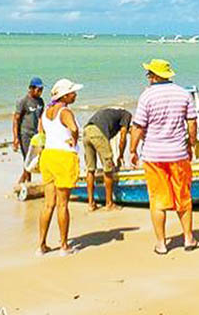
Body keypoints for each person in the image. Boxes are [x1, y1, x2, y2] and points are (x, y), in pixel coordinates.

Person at [129, 58, 199, 254]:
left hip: (153, 155)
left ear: (155, 76)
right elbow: (192, 123)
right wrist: (191, 144)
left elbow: (138, 125)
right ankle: (188, 238)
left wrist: (132, 150)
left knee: (158, 200)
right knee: (183, 197)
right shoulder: (183, 94)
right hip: (178, 153)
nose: (148, 77)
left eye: (149, 73)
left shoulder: (147, 96)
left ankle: (161, 243)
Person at [38, 78, 83, 255]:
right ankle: (64, 246)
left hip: (48, 156)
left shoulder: (46, 111)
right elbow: (73, 128)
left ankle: (41, 245)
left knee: (48, 204)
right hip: (63, 157)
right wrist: (74, 137)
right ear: (65, 95)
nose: (75, 95)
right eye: (73, 92)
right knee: (62, 205)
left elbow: (40, 131)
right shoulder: (65, 112)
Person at [83, 107, 132, 211]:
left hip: (86, 130)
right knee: (108, 168)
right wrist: (121, 156)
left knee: (90, 169)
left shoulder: (112, 114)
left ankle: (91, 203)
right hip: (98, 132)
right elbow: (123, 138)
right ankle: (109, 203)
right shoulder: (127, 115)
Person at [12, 77, 45, 187]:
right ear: (31, 88)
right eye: (38, 89)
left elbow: (41, 119)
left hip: (36, 135)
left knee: (35, 160)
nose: (40, 92)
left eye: (41, 89)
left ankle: (23, 184)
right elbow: (16, 119)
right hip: (25, 134)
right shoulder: (23, 101)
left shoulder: (40, 102)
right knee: (28, 159)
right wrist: (16, 138)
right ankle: (25, 184)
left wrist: (42, 134)